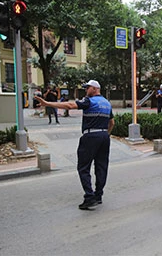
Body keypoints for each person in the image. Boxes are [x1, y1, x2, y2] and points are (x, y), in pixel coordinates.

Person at [34, 80, 115, 210]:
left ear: (94, 89)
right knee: (101, 167)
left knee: (83, 167)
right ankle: (98, 195)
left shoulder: (89, 101)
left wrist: (47, 103)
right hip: (104, 136)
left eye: (87, 88)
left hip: (90, 137)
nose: (86, 90)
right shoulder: (107, 103)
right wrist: (106, 135)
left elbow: (70, 105)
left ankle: (89, 197)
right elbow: (112, 123)